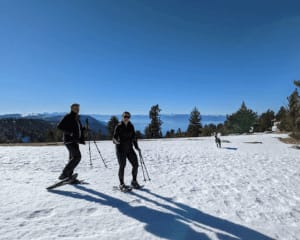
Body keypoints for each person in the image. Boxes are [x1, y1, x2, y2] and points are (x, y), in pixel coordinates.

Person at [113, 111, 141, 191]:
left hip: (129, 149)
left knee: (135, 164)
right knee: (122, 166)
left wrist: (136, 147)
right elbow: (114, 138)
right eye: (125, 116)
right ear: (122, 117)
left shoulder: (131, 126)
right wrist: (116, 141)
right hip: (120, 149)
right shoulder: (118, 126)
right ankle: (121, 184)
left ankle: (134, 181)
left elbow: (134, 137)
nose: (126, 118)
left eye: (128, 117)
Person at [57, 103, 85, 180]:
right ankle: (64, 174)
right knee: (77, 157)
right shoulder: (68, 116)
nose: (77, 109)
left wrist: (83, 130)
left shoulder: (76, 117)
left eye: (78, 108)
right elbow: (60, 126)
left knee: (72, 158)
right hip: (69, 140)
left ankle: (69, 175)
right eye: (76, 108)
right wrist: (70, 133)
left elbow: (77, 128)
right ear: (71, 108)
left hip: (75, 140)